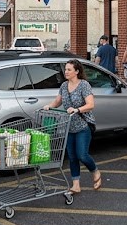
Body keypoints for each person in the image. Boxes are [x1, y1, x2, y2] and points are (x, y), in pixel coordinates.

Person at [43, 60, 101, 193]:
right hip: (69, 126)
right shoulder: (64, 86)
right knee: (72, 157)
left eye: (69, 69)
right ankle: (76, 185)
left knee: (82, 155)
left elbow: (90, 104)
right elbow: (58, 101)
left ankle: (95, 171)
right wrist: (49, 106)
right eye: (66, 69)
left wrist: (77, 110)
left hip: (83, 126)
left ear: (77, 71)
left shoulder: (84, 85)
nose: (66, 72)